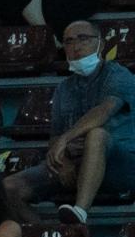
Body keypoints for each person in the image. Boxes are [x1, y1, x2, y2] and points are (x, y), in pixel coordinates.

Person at [7, 20, 135, 226]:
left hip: (120, 166)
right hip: (75, 162)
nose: (76, 46)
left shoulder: (118, 75)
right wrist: (64, 160)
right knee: (9, 188)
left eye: (83, 38)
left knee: (97, 135)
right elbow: (55, 137)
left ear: (100, 44)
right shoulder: (63, 89)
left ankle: (80, 212)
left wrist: (66, 139)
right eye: (68, 41)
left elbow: (103, 111)